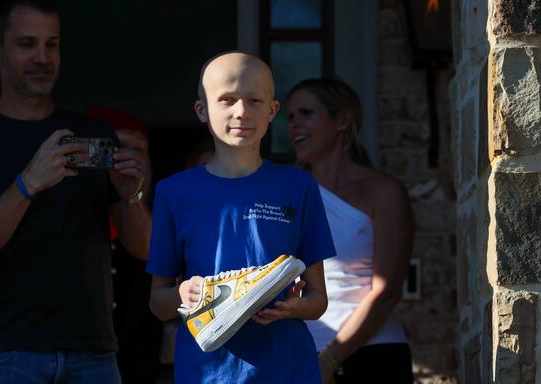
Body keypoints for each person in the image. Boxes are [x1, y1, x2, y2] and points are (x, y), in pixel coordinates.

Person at [0, 0, 150, 383]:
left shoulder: (92, 134)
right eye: (26, 44)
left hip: (93, 355)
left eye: (51, 44)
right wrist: (28, 183)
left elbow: (143, 247)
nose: (42, 57)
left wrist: (132, 195)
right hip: (1, 356)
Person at [147, 51, 336, 383]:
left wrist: (293, 308)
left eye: (254, 100)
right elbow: (157, 302)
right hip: (207, 372)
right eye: (227, 100)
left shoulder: (298, 186)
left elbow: (318, 300)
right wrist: (183, 294)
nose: (241, 112)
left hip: (287, 369)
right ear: (202, 110)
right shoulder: (174, 192)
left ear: (272, 111)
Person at [286, 77, 414, 383]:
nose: (294, 125)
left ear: (343, 120)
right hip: (299, 353)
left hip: (373, 355)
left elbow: (387, 290)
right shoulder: (286, 194)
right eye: (289, 117)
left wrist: (331, 358)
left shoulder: (384, 192)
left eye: (305, 113)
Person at [85, 106, 162, 384]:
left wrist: (132, 197)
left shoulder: (160, 221)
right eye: (116, 147)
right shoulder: (68, 225)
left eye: (137, 149)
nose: (127, 156)